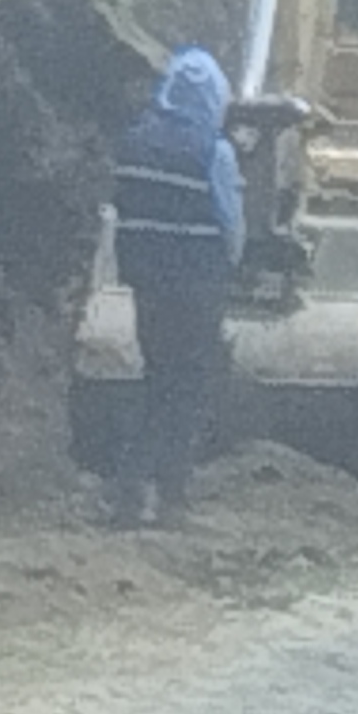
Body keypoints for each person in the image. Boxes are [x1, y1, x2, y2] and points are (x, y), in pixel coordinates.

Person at [107, 45, 244, 525]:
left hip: (146, 282)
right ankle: (170, 496)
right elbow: (231, 224)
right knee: (187, 387)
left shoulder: (133, 141)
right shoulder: (214, 151)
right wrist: (231, 267)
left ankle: (129, 490)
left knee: (156, 378)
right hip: (196, 283)